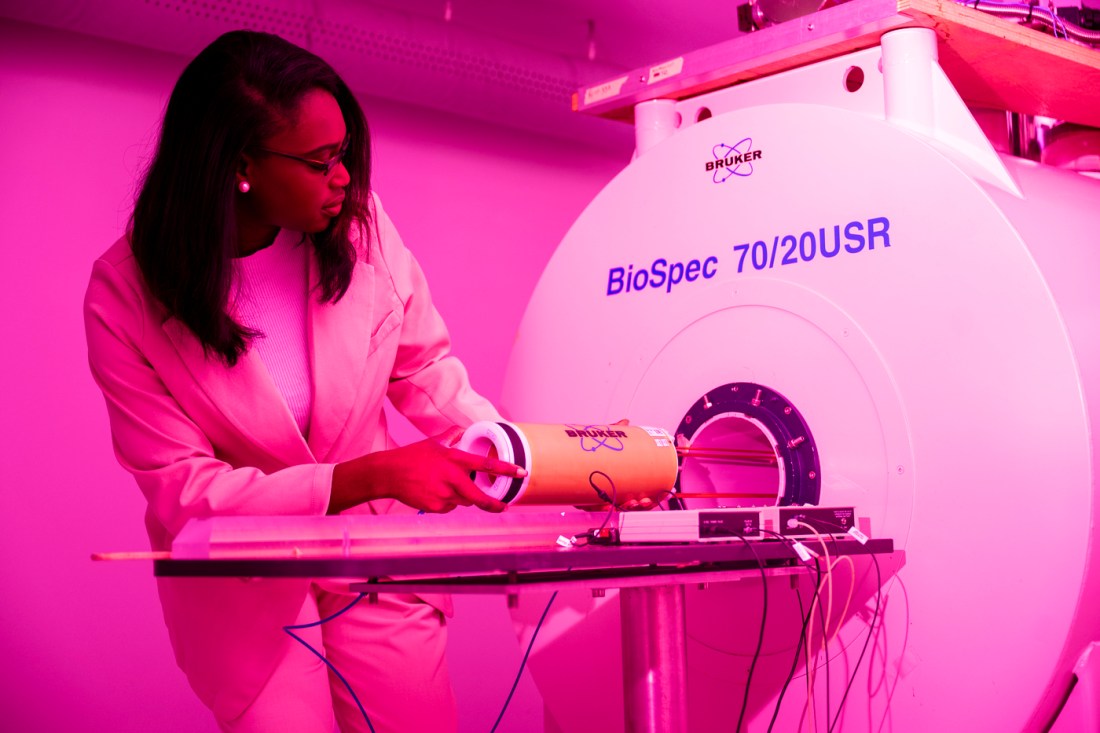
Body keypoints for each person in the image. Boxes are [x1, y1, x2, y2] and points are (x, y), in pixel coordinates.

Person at [83, 30, 524, 733]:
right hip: (245, 588)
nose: (345, 178)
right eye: (321, 163)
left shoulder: (360, 225)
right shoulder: (123, 294)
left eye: (344, 154)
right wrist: (368, 476)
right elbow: (186, 491)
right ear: (239, 166)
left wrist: (511, 456)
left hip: (374, 565)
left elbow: (426, 369)